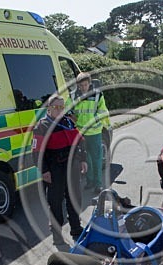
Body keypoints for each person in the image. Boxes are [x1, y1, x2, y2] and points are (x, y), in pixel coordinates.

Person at [33, 95, 88, 245]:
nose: (59, 110)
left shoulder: (68, 122)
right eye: (56, 107)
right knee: (55, 204)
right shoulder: (42, 126)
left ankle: (76, 228)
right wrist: (44, 171)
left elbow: (80, 142)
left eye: (62, 107)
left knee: (74, 199)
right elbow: (37, 152)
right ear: (49, 108)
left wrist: (83, 159)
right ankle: (57, 235)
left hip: (72, 168)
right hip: (54, 170)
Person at [72, 72, 110, 193]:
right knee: (86, 158)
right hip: (81, 133)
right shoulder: (73, 96)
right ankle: (90, 181)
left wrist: (98, 122)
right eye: (81, 85)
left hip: (94, 132)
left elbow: (103, 111)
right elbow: (68, 111)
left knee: (96, 159)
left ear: (89, 83)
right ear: (78, 85)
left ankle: (98, 184)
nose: (83, 87)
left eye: (85, 84)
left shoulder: (97, 94)